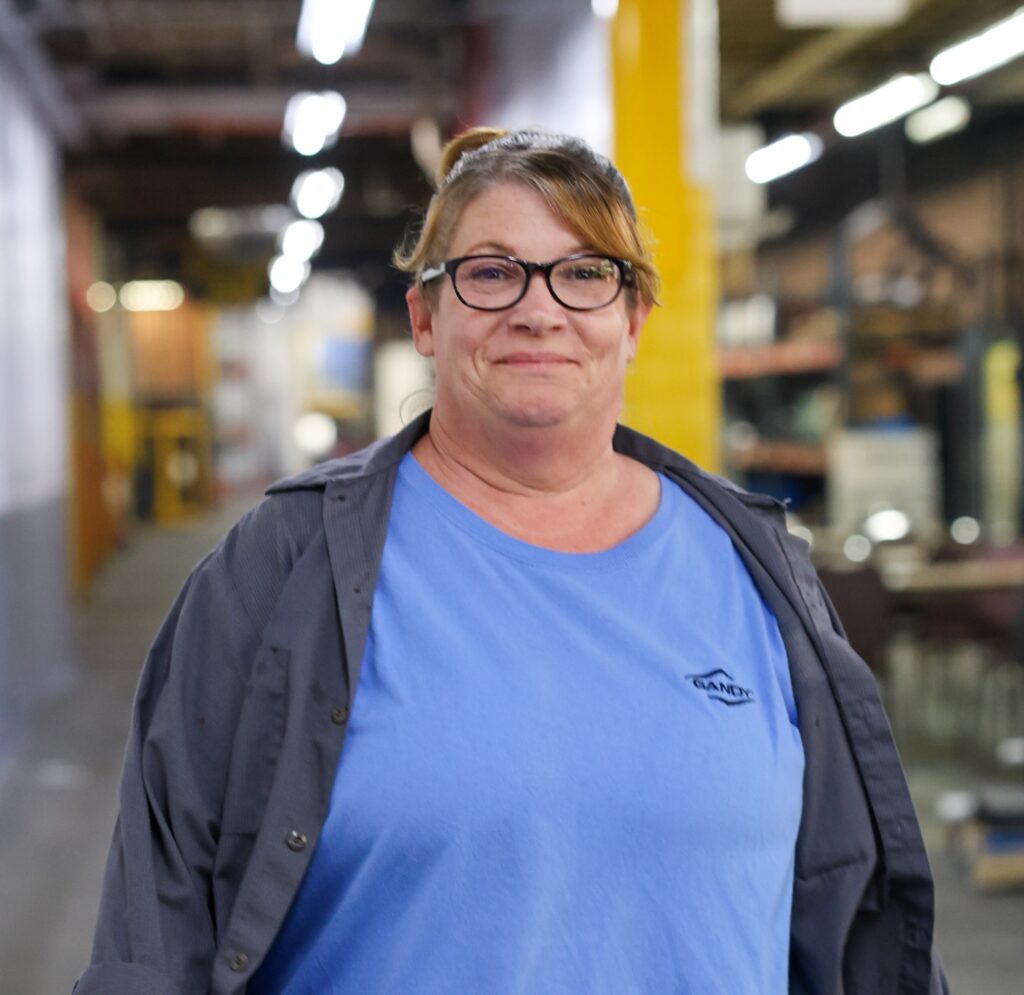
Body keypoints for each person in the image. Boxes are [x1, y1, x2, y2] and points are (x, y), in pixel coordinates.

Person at [76, 128, 947, 995]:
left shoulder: (759, 573)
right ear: (425, 314)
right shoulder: (284, 566)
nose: (540, 309)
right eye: (491, 272)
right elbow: (156, 923)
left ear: (633, 317)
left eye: (585, 272)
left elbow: (856, 918)